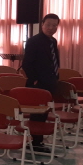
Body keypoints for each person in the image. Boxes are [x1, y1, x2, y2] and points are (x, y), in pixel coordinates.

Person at [22, 13, 61, 152]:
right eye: (48, 25)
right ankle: (35, 142)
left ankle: (37, 141)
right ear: (42, 25)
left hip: (50, 81)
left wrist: (56, 76)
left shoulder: (53, 41)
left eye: (54, 25)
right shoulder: (34, 41)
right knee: (37, 114)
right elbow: (27, 64)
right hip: (38, 83)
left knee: (44, 113)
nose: (51, 28)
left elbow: (53, 60)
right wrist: (35, 80)